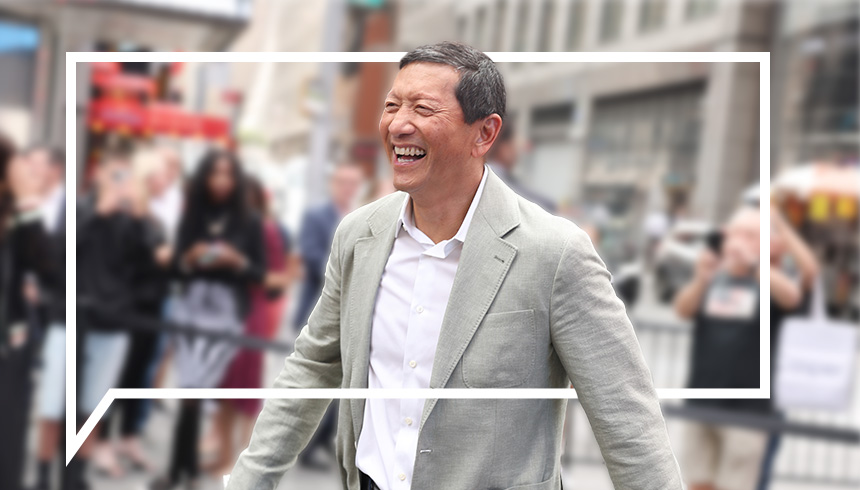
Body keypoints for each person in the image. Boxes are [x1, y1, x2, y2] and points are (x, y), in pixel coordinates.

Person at [228, 42, 682, 490]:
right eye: (392, 105)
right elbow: (312, 365)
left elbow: (627, 421)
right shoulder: (358, 235)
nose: (399, 124)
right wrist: (249, 480)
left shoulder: (556, 253)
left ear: (484, 133)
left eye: (423, 109)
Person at [673, 204, 815, 490]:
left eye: (750, 234)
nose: (738, 241)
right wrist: (701, 279)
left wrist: (755, 261)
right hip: (701, 400)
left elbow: (794, 294)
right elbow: (683, 309)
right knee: (697, 483)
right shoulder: (715, 275)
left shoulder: (770, 280)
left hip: (748, 410)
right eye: (734, 233)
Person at [151, 149, 265, 490]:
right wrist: (189, 258)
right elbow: (176, 268)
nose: (221, 182)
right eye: (214, 174)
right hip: (191, 306)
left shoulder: (249, 221)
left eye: (228, 175)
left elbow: (258, 273)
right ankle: (182, 472)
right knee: (190, 389)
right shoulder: (193, 216)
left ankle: (180, 471)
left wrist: (235, 261)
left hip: (225, 313)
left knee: (195, 389)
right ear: (204, 177)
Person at [75, 147, 161, 482]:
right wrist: (99, 211)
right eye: (113, 174)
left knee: (97, 398)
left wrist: (139, 216)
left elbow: (146, 263)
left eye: (125, 176)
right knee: (66, 399)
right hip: (79, 316)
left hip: (116, 317)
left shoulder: (132, 218)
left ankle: (83, 463)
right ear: (98, 174)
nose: (118, 183)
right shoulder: (83, 207)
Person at [203, 176, 295, 476]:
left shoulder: (266, 230)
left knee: (242, 391)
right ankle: (226, 455)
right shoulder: (227, 229)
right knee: (225, 388)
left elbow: (279, 278)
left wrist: (241, 266)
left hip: (249, 315)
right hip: (223, 313)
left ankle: (241, 463)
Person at [0, 135, 58, 490]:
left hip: (11, 349)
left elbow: (50, 267)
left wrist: (29, 204)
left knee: (7, 443)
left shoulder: (20, 221)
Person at [755, 205, 819, 490]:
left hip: (768, 398)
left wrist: (779, 221)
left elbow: (810, 269)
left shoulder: (788, 288)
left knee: (757, 473)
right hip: (731, 390)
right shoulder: (742, 274)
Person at [25, 145, 68, 490]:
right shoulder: (17, 202)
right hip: (18, 310)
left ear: (55, 170)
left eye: (37, 165)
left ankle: (47, 472)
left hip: (56, 313)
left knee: (53, 397)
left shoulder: (73, 208)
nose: (30, 170)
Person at [292, 161, 365, 331]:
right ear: (332, 184)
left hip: (352, 317)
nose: (347, 188)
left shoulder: (364, 217)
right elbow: (313, 258)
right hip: (317, 307)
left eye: (353, 183)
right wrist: (355, 279)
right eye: (342, 182)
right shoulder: (315, 216)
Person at [486, 122, 556, 212]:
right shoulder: (495, 175)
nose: (518, 151)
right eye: (515, 143)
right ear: (504, 147)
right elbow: (532, 201)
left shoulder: (493, 174)